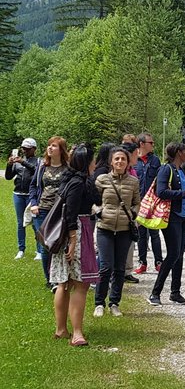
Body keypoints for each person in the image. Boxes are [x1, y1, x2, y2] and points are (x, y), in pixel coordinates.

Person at [49, 144, 99, 346]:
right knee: (80, 283)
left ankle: (61, 330)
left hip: (69, 233)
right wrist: (72, 240)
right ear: (86, 162)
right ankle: (77, 333)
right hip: (76, 232)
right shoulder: (78, 183)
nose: (95, 163)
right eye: (93, 160)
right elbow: (70, 212)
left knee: (64, 283)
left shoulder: (71, 180)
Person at [147, 143, 185, 306]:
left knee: (179, 255)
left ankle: (175, 292)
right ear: (178, 153)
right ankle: (155, 293)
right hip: (172, 217)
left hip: (184, 216)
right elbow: (161, 192)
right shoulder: (166, 169)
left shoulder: (181, 170)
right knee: (173, 254)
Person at [93, 147, 140, 317]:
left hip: (124, 229)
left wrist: (133, 214)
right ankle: (99, 303)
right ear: (111, 162)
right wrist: (98, 211)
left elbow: (137, 202)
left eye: (123, 159)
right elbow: (93, 199)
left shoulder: (133, 182)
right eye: (117, 159)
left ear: (128, 163)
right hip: (105, 227)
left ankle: (114, 303)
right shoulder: (102, 180)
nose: (120, 162)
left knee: (120, 268)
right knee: (105, 267)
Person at [29, 136, 70, 289]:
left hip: (59, 211)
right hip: (42, 209)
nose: (50, 148)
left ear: (61, 150)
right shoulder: (42, 166)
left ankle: (58, 275)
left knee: (57, 244)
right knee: (45, 246)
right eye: (49, 145)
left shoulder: (67, 168)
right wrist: (33, 203)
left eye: (54, 146)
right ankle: (50, 280)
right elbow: (33, 186)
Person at [6, 138, 39, 260]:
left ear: (34, 149)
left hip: (32, 196)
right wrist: (9, 165)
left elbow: (37, 171)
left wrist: (23, 162)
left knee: (36, 224)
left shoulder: (38, 161)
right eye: (23, 148)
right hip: (18, 194)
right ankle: (21, 249)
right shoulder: (18, 162)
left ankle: (39, 250)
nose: (24, 151)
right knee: (21, 223)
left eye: (27, 148)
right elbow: (8, 177)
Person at [134, 133, 163, 274]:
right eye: (150, 142)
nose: (153, 145)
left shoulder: (155, 160)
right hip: (138, 203)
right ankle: (142, 262)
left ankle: (159, 262)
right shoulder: (134, 161)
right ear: (142, 144)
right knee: (141, 234)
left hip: (152, 203)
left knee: (154, 233)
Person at [120, 141, 140, 284]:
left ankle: (127, 271)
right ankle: (120, 272)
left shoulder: (132, 170)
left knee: (130, 244)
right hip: (121, 214)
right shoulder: (123, 172)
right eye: (136, 153)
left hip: (132, 213)